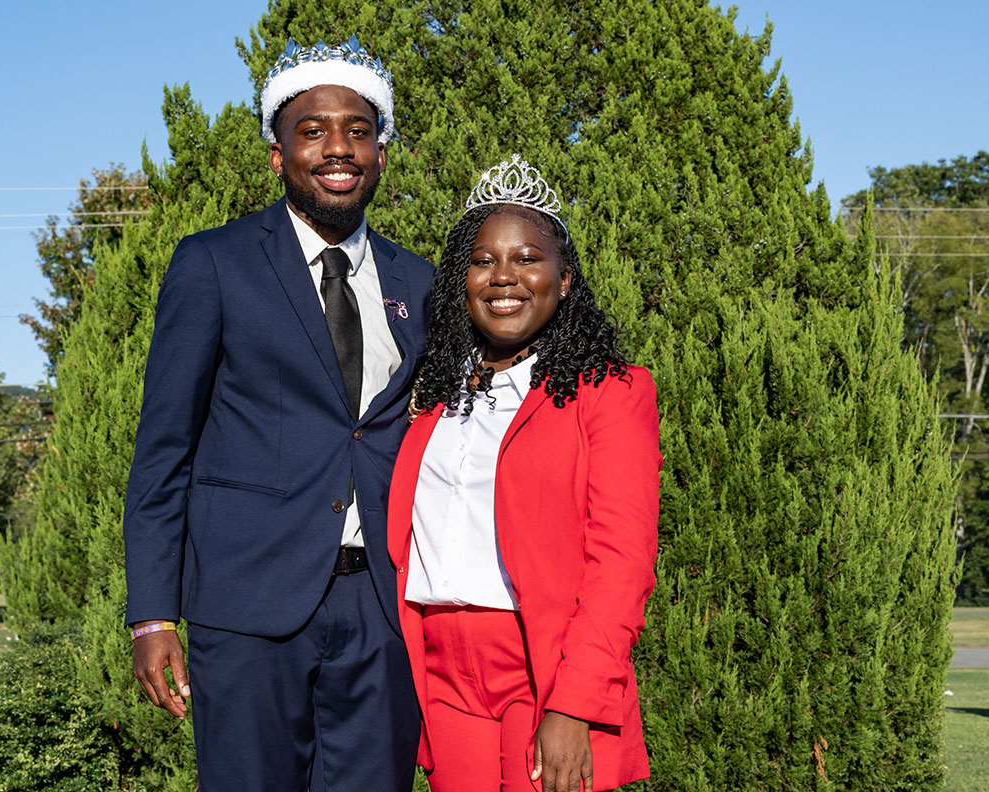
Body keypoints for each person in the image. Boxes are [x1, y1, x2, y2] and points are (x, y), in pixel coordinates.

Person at [123, 36, 431, 791]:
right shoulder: (215, 263)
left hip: (383, 608)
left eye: (359, 132)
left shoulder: (419, 282)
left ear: (381, 153)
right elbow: (166, 450)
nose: (338, 148)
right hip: (249, 604)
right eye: (314, 130)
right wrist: (152, 615)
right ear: (277, 153)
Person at [386, 155, 661, 792]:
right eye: (483, 261)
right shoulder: (428, 395)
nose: (504, 276)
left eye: (528, 259)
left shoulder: (609, 394)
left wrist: (573, 706)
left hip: (542, 667)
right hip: (440, 668)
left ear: (563, 281)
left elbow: (622, 563)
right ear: (461, 280)